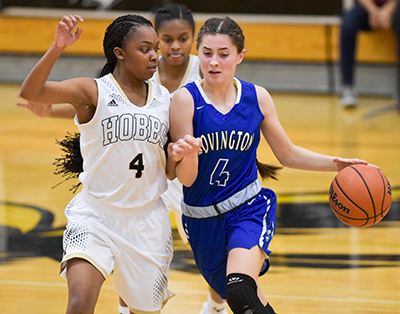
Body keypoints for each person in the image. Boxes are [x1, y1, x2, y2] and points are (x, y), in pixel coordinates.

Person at [16, 4, 228, 314]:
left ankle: (215, 304)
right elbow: (31, 91)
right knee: (79, 303)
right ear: (120, 52)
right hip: (95, 216)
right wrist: (57, 47)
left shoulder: (164, 100)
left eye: (155, 48)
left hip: (146, 222)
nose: (155, 55)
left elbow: (171, 173)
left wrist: (181, 156)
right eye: (145, 49)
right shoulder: (93, 91)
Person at [169, 16, 374, 314]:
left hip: (248, 208)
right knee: (245, 301)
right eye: (207, 53)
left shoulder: (257, 98)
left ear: (239, 56)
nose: (214, 62)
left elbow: (287, 153)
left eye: (224, 54)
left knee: (240, 287)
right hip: (201, 220)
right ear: (197, 53)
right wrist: (187, 155)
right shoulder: (185, 101)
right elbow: (187, 181)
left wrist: (337, 165)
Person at [340, 0, 400, 108]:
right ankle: (347, 87)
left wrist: (387, 10)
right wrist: (374, 12)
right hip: (369, 7)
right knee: (348, 23)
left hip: (395, 6)